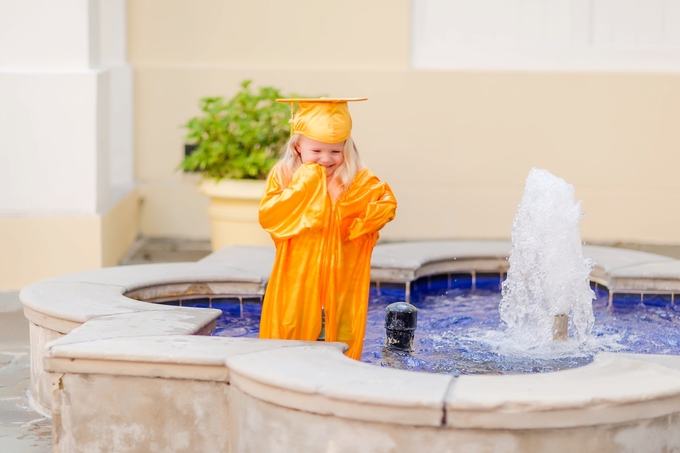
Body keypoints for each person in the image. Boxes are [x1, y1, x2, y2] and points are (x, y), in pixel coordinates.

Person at [258, 97, 397, 360]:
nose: (326, 159)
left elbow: (385, 202)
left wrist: (365, 221)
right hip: (299, 270)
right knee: (293, 324)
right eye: (316, 151)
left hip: (341, 270)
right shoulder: (285, 173)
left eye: (335, 151)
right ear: (298, 146)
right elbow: (269, 215)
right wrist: (305, 185)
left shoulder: (357, 176)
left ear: (347, 147)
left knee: (337, 327)